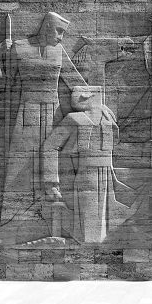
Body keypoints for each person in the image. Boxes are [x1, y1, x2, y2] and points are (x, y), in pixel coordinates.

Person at [0, 12, 87, 244]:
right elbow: (1, 83)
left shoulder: (58, 51)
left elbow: (78, 85)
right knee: (19, 171)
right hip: (28, 112)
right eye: (59, 31)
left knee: (55, 171)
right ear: (47, 27)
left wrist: (94, 105)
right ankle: (9, 231)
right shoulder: (19, 47)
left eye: (64, 33)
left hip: (54, 114)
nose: (61, 37)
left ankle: (56, 228)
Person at [42, 86, 132, 244]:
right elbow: (50, 146)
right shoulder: (74, 119)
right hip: (87, 173)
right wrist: (51, 181)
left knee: (106, 219)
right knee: (89, 224)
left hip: (107, 175)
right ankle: (87, 247)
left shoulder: (107, 117)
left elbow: (115, 139)